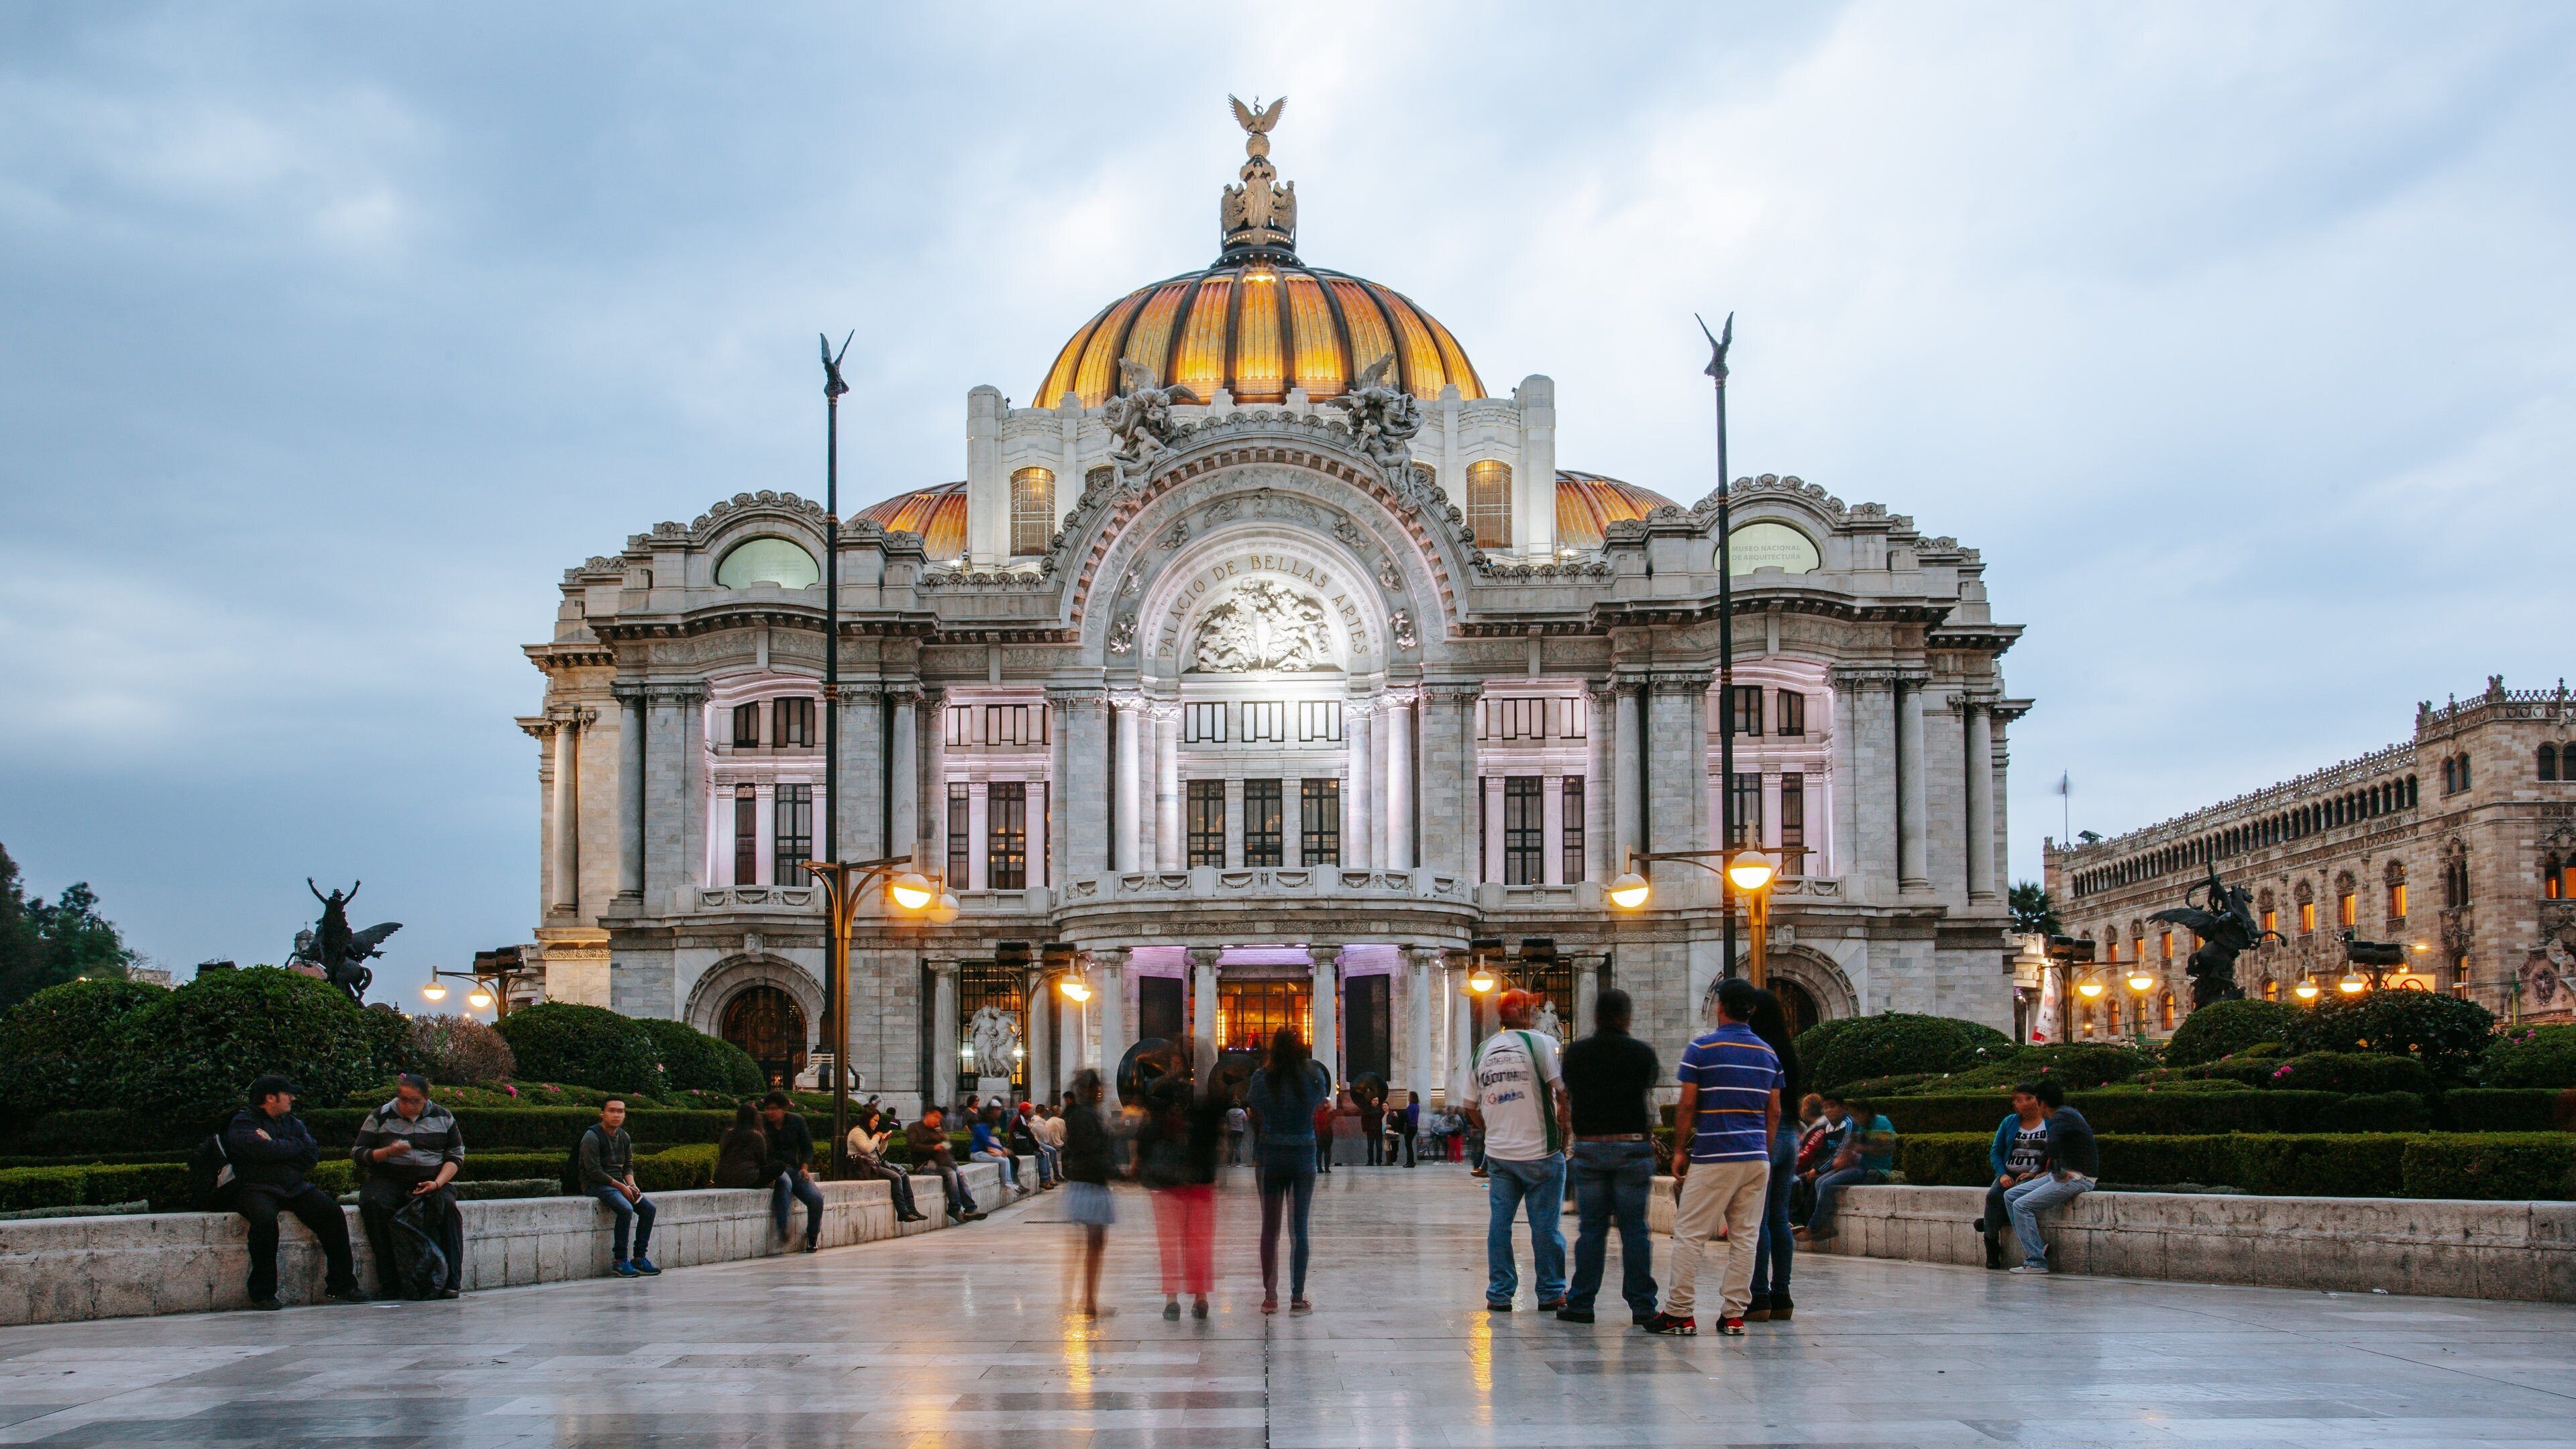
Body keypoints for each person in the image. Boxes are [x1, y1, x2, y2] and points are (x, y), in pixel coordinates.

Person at [1648, 979, 1784, 1338]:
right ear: (1752, 1011)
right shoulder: (1769, 1054)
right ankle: (1734, 1315)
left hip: (1716, 1154)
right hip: (1756, 1156)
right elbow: (1774, 1112)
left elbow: (1688, 1104)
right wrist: (1764, 1151)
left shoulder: (1702, 1049)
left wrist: (1679, 1149)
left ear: (1719, 1007)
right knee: (1746, 1237)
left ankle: (1679, 1312)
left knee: (1690, 1233)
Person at [1556, 987, 1660, 1326]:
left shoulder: (1576, 1054)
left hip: (1590, 1147)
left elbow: (1570, 1093)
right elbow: (1647, 1086)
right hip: (1631, 1147)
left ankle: (1582, 1302)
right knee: (1635, 1231)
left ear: (1596, 1016)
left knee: (1591, 1230)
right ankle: (1643, 1306)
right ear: (1626, 1017)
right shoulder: (1641, 1054)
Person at [1468, 989, 1570, 1313]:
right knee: (1545, 1227)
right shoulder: (1537, 1043)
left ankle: (1499, 1293)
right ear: (1519, 1011)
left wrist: (1492, 1132)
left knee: (1500, 1224)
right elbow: (1563, 1092)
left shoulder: (1482, 1050)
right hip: (1540, 1152)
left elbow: (1470, 1106)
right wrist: (1564, 1132)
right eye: (1532, 1006)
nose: (1536, 1010)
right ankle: (1551, 1291)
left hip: (1500, 1156)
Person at [225, 1074, 365, 1309]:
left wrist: (276, 1145)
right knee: (265, 1221)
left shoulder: (292, 1122)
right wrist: (290, 1147)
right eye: (287, 1094)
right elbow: (260, 1152)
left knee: (332, 1213)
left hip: (293, 1187)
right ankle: (263, 1293)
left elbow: (311, 1154)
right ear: (270, 1098)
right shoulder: (244, 1123)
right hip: (257, 1188)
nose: (292, 1098)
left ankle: (342, 1284)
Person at [352, 1073, 466, 1299]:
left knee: (447, 1209)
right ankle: (390, 1282)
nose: (407, 1105)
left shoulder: (443, 1116)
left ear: (425, 1100)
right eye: (403, 1099)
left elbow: (455, 1156)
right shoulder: (381, 1116)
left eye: (414, 1101)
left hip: (432, 1178)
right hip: (389, 1178)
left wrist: (437, 1183)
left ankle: (451, 1280)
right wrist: (386, 1153)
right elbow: (358, 1153)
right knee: (375, 1205)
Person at [1246, 1026, 1328, 1313]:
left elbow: (1254, 1109)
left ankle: (1270, 1297)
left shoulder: (1261, 1079)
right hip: (1303, 1156)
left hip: (1270, 1157)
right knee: (1299, 1229)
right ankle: (1297, 1296)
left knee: (1270, 1229)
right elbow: (1321, 1104)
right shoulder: (1313, 1077)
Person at [1137, 1055, 1218, 1320]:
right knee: (1199, 1244)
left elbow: (1146, 1136)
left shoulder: (1159, 1097)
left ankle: (1172, 1299)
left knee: (1169, 1243)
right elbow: (1213, 1140)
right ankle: (1200, 1296)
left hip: (1168, 1183)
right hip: (1199, 1182)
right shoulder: (1202, 1101)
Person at [1741, 989, 1803, 1323]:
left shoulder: (1758, 1052)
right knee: (1780, 1218)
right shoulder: (1789, 1053)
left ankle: (1759, 1295)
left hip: (1767, 1133)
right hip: (1791, 1135)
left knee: (1759, 1219)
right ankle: (1782, 1294)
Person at [2004, 1079, 2098, 1275]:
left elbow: (2054, 1144)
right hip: (2066, 1174)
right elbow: (2050, 1146)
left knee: (2022, 1205)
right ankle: (2036, 1248)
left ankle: (2036, 1261)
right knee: (2011, 1196)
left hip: (2078, 1178)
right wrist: (2036, 1171)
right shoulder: (2065, 1115)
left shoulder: (2062, 1117)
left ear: (2042, 1103)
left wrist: (2056, 1172)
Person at [579, 1098, 659, 1277]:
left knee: (649, 1209)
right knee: (625, 1209)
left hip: (619, 1184)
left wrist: (631, 1184)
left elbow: (627, 1166)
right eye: (612, 1111)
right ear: (602, 1113)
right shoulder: (592, 1136)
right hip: (597, 1184)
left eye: (621, 1111)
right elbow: (593, 1171)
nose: (617, 1115)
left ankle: (639, 1258)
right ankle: (620, 1260)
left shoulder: (624, 1136)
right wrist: (621, 1188)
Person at [1976, 1083, 2053, 1270]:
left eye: (2029, 1098)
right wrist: (2002, 1174)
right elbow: (1996, 1152)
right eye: (2019, 1100)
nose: (2024, 1103)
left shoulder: (2049, 1122)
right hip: (2010, 1172)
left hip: (2034, 1175)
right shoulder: (2009, 1122)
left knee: (2016, 1197)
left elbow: (2057, 1151)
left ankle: (1987, 1223)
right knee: (1994, 1196)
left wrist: (2042, 1172)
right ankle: (1991, 1243)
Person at [1800, 1094, 1895, 1243]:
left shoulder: (1882, 1123)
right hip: (1859, 1166)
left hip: (1874, 1168)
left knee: (1825, 1184)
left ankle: (1812, 1228)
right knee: (1819, 1182)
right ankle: (1825, 1226)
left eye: (1857, 1114)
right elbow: (1847, 1148)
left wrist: (1859, 1148)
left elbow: (1886, 1147)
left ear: (1866, 1112)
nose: (1855, 1118)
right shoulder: (1860, 1126)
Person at [1059, 1068, 1116, 1316]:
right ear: (1088, 1090)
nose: (1101, 1092)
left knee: (1090, 1243)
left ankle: (1085, 1298)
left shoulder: (1082, 1114)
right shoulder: (1084, 1115)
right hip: (1090, 1184)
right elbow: (1091, 1149)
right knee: (1094, 1243)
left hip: (1086, 1182)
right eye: (1097, 1087)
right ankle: (1089, 1301)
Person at [759, 1090, 824, 1251]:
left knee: (816, 1199)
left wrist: (804, 1168)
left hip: (794, 1169)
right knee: (785, 1184)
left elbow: (808, 1149)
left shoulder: (797, 1122)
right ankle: (783, 1229)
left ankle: (812, 1236)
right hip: (774, 1169)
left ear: (784, 1109)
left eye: (773, 1109)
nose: (769, 1112)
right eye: (767, 1109)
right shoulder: (761, 1123)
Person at [845, 1108, 928, 1223]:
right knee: (896, 1177)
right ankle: (903, 1212)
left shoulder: (867, 1132)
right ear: (867, 1119)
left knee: (904, 1175)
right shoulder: (857, 1132)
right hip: (863, 1167)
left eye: (878, 1121)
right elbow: (867, 1149)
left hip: (872, 1164)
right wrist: (877, 1136)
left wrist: (884, 1141)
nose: (876, 1123)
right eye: (875, 1120)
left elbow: (878, 1152)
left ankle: (912, 1209)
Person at [907, 1106, 984, 1222]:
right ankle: (954, 1208)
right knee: (951, 1174)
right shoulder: (914, 1127)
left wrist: (942, 1138)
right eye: (936, 1117)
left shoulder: (939, 1128)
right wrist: (934, 1148)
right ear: (928, 1114)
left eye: (939, 1118)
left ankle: (970, 1208)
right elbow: (913, 1146)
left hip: (943, 1161)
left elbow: (948, 1146)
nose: (937, 1121)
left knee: (961, 1174)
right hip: (925, 1164)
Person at [971, 1105, 1026, 1194]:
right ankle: (1005, 1185)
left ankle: (1009, 1182)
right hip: (977, 1154)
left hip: (982, 1153)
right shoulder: (980, 1127)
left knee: (1006, 1160)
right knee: (1003, 1161)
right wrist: (1001, 1148)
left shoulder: (985, 1127)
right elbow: (987, 1141)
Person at [714, 1102, 769, 1189]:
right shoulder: (756, 1136)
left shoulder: (728, 1133)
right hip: (746, 1178)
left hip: (721, 1177)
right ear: (754, 1117)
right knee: (779, 1166)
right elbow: (762, 1161)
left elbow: (722, 1153)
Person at [1011, 1104, 1052, 1189]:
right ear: (1025, 1111)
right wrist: (1038, 1147)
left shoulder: (1021, 1119)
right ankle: (1044, 1181)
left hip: (1024, 1145)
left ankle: (1048, 1180)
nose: (1031, 1112)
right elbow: (1029, 1134)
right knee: (1042, 1155)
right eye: (1029, 1110)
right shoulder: (1020, 1121)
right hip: (1021, 1148)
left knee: (1046, 1153)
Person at [1359, 1090, 1385, 1167]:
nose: (1376, 1102)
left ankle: (1379, 1161)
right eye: (1374, 1100)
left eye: (1377, 1100)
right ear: (1371, 1101)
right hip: (1370, 1131)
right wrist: (1364, 1129)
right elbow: (1363, 1120)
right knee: (1370, 1146)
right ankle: (1370, 1161)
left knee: (1379, 1146)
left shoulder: (1381, 1109)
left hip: (1379, 1131)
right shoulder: (1367, 1109)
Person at [1396, 1090, 1420, 1168]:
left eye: (1409, 1096)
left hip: (1410, 1127)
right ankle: (1411, 1161)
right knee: (1409, 1145)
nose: (1408, 1098)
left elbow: (1408, 1116)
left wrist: (1399, 1116)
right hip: (1414, 1127)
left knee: (1408, 1145)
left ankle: (1410, 1162)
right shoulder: (1416, 1106)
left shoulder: (1411, 1106)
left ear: (1412, 1098)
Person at [1224, 1099, 1248, 1166]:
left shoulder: (1229, 1112)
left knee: (1231, 1146)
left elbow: (1227, 1120)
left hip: (1231, 1130)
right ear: (1239, 1104)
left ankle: (1229, 1163)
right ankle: (1238, 1162)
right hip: (1240, 1130)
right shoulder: (1242, 1112)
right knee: (1238, 1146)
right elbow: (1245, 1120)